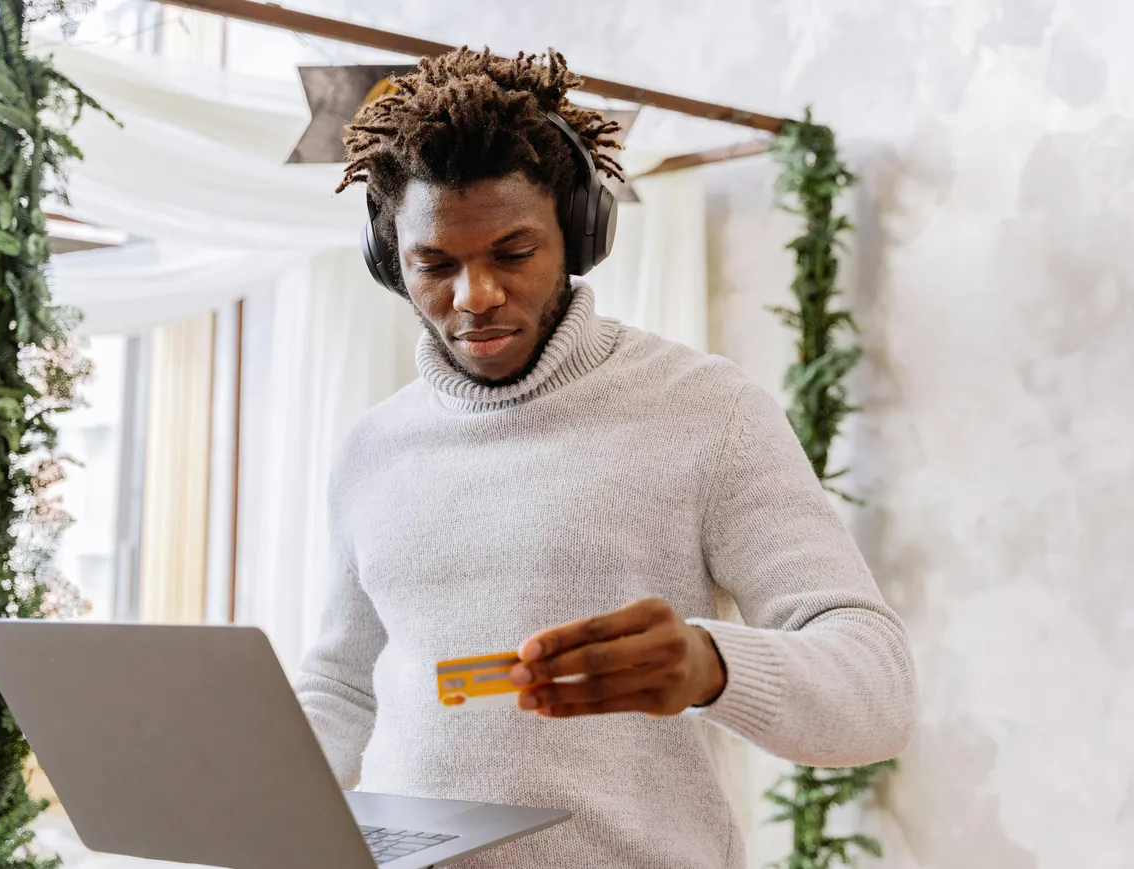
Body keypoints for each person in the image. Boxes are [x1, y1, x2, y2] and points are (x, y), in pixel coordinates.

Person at [296, 47, 916, 869]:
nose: (474, 296)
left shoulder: (708, 410)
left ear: (579, 232)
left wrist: (711, 664)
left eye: (512, 252)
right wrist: (241, 797)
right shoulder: (371, 448)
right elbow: (343, 686)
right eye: (435, 265)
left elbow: (879, 690)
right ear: (390, 262)